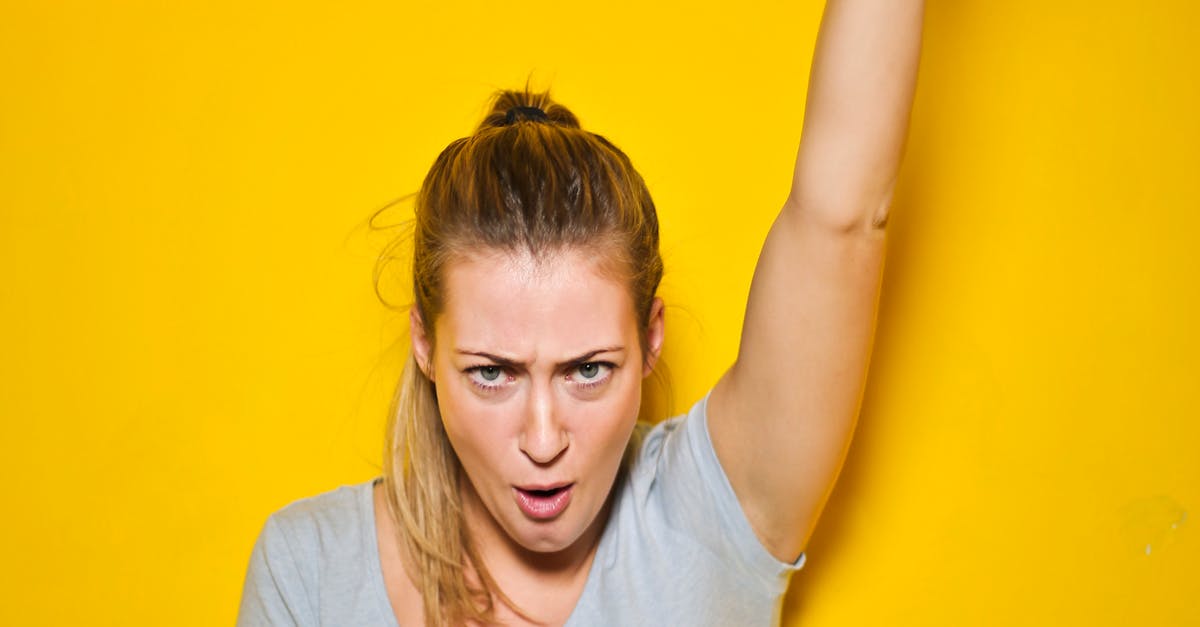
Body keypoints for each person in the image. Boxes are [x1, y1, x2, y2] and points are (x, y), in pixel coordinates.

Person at [237, 0, 924, 624]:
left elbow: (845, 216)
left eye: (588, 368)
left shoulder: (715, 513)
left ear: (650, 337)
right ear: (424, 341)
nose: (543, 440)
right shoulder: (311, 571)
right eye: (492, 373)